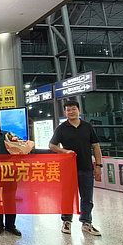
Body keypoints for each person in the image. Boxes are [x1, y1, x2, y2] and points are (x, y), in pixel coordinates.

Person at [49, 100, 102, 236]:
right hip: (68, 169)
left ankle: (86, 223)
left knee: (87, 197)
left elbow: (96, 146)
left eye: (73, 109)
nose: (71, 112)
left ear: (79, 110)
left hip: (86, 167)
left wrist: (99, 165)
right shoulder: (61, 128)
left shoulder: (87, 127)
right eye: (68, 110)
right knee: (67, 196)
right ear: (65, 112)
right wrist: (65, 151)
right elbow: (52, 145)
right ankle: (66, 221)